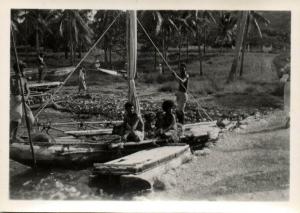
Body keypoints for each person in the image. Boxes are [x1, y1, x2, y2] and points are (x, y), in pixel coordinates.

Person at [10, 61, 35, 143]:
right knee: (17, 117)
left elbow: (28, 90)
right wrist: (17, 79)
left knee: (30, 116)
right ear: (19, 70)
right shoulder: (13, 79)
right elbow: (14, 91)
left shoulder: (24, 79)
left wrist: (26, 97)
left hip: (23, 99)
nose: (24, 70)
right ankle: (12, 136)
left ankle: (31, 135)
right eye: (23, 69)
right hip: (16, 98)